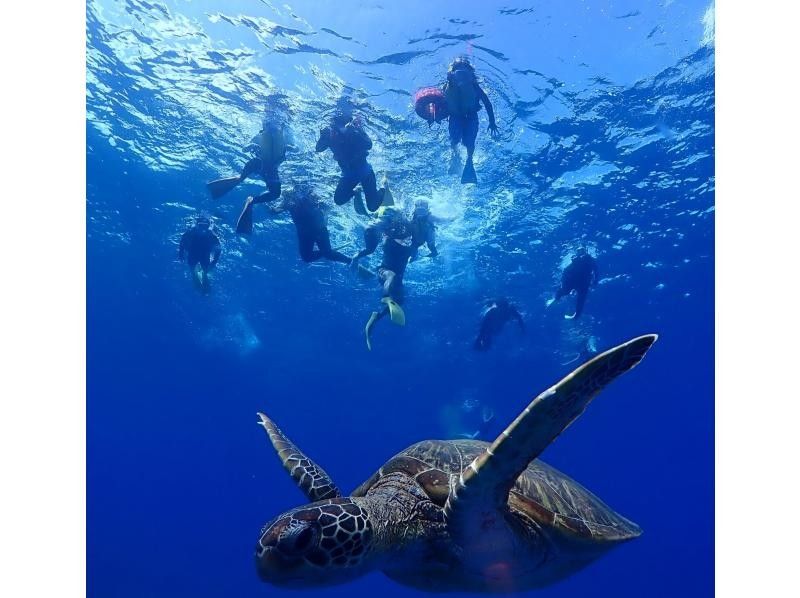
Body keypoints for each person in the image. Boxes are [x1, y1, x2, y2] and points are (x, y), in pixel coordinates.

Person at [206, 97, 294, 234]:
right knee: (241, 178)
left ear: (281, 126)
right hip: (257, 163)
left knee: (276, 194)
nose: (272, 127)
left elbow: (297, 149)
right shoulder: (260, 136)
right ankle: (231, 183)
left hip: (271, 169)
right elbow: (245, 148)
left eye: (275, 126)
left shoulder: (285, 137)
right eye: (268, 125)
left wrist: (291, 148)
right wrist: (251, 146)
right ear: (265, 125)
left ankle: (251, 201)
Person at [315, 98, 390, 214]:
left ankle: (384, 188)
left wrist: (356, 131)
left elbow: (369, 145)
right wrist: (323, 137)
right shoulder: (329, 132)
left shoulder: (355, 128)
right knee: (339, 200)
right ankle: (357, 191)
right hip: (347, 175)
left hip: (365, 171)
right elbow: (318, 149)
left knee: (372, 207)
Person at [361, 210, 415, 351]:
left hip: (397, 279)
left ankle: (376, 317)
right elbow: (379, 230)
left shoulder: (408, 244)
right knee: (391, 275)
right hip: (383, 272)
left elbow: (412, 246)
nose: (405, 238)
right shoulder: (388, 240)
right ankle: (385, 297)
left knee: (401, 300)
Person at [442, 57, 499, 185]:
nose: (460, 75)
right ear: (451, 74)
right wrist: (433, 117)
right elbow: (440, 105)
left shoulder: (475, 87)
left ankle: (469, 160)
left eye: (464, 72)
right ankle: (455, 155)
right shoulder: (446, 86)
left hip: (471, 117)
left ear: (471, 76)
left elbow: (487, 103)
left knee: (469, 142)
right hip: (455, 117)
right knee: (454, 139)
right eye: (457, 71)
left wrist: (492, 122)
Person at [267, 184, 351, 265]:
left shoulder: (312, 197)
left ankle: (348, 260)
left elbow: (327, 207)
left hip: (318, 229)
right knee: (307, 257)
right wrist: (269, 206)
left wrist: (325, 215)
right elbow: (277, 210)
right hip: (304, 233)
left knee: (327, 254)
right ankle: (326, 252)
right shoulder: (289, 198)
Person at [548, 248, 600, 319]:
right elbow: (565, 271)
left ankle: (576, 315)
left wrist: (595, 281)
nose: (581, 253)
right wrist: (563, 282)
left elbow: (596, 270)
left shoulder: (589, 260)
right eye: (579, 251)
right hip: (575, 281)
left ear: (586, 251)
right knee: (566, 292)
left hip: (583, 283)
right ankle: (556, 299)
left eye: (582, 251)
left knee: (580, 298)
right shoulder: (576, 260)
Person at [178, 216, 221, 293]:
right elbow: (182, 243)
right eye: (201, 225)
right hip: (193, 253)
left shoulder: (212, 236)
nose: (203, 228)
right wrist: (181, 254)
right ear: (197, 225)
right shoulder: (190, 233)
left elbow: (218, 249)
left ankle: (204, 285)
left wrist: (214, 261)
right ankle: (197, 280)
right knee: (193, 269)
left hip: (204, 254)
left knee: (204, 271)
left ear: (208, 226)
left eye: (205, 226)